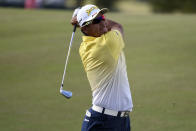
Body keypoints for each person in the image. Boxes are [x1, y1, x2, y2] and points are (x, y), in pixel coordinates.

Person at [71, 4, 133, 131]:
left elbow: (102, 27)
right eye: (97, 21)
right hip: (103, 123)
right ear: (86, 28)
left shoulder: (86, 44)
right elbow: (118, 26)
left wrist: (82, 22)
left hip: (120, 121)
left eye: (103, 17)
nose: (103, 22)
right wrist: (79, 21)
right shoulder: (106, 44)